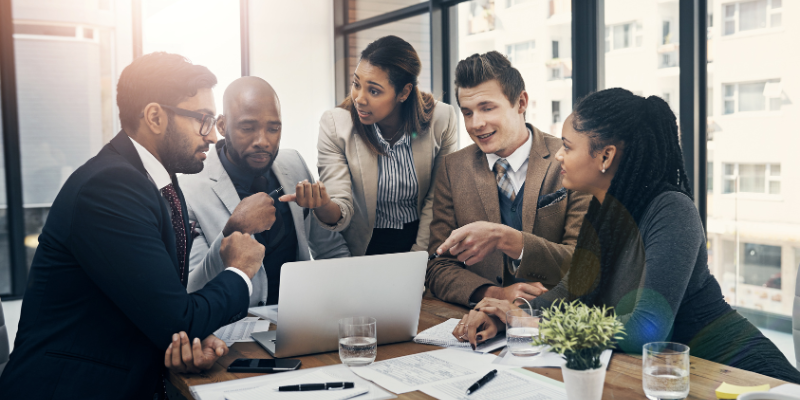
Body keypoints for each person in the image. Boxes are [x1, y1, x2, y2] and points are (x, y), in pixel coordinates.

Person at [452, 88, 800, 384]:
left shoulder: (670, 210)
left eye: (569, 147)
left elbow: (645, 330)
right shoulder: (604, 212)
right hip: (666, 375)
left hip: (739, 373)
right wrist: (508, 313)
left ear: (605, 156)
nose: (558, 155)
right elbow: (571, 293)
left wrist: (534, 325)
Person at [0, 53, 270, 398]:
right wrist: (240, 271)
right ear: (155, 116)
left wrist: (185, 342)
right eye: (202, 120)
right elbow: (179, 318)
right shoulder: (110, 187)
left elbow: (161, 309)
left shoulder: (156, 183)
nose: (213, 136)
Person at [425, 51, 590, 307]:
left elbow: (584, 262)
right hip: (479, 323)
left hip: (556, 321)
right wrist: (494, 294)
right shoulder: (452, 168)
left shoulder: (570, 160)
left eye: (487, 108)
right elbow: (438, 266)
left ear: (521, 102)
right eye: (467, 113)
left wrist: (507, 239)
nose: (476, 123)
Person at [280, 35, 458, 256]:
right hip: (365, 247)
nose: (359, 98)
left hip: (425, 240)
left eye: (373, 91)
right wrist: (323, 205)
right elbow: (340, 207)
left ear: (404, 92)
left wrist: (419, 256)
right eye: (356, 84)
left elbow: (438, 200)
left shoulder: (442, 119)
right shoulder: (336, 125)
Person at [182, 76, 351, 306]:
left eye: (273, 128)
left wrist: (350, 302)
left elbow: (331, 250)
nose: (262, 141)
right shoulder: (188, 190)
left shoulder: (294, 164)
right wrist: (235, 229)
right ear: (222, 125)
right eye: (247, 128)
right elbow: (194, 289)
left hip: (302, 321)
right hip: (233, 329)